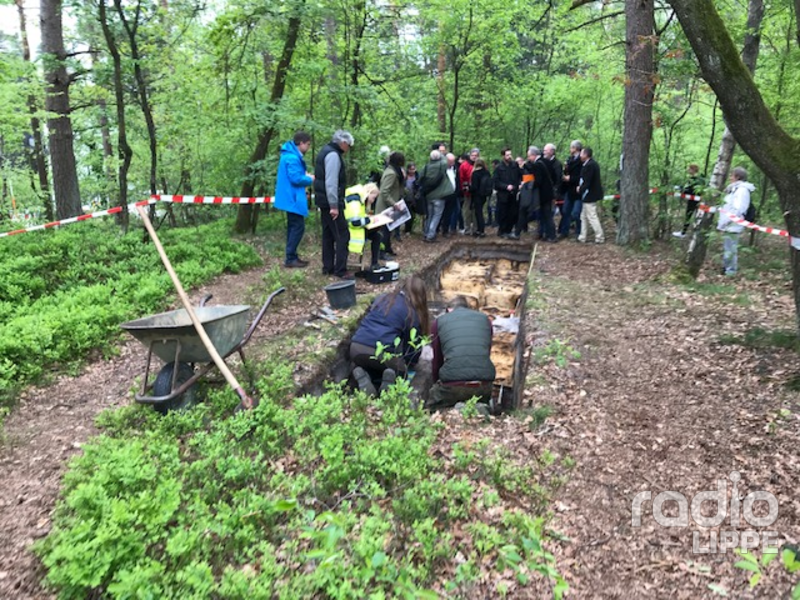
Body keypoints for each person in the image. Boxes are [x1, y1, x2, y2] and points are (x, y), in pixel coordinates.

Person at [349, 275, 431, 395]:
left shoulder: (382, 298)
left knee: (371, 364)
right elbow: (412, 349)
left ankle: (365, 377)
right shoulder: (411, 313)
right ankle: (388, 386)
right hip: (382, 354)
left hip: (356, 347)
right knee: (398, 371)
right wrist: (410, 363)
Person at [427, 296, 496, 410]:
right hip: (483, 385)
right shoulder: (486, 320)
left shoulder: (438, 322)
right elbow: (485, 353)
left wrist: (436, 382)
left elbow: (437, 360)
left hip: (452, 387)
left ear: (449, 310)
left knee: (432, 408)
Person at [315, 130, 354, 279]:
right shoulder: (333, 155)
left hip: (323, 202)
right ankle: (341, 270)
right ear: (343, 143)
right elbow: (331, 183)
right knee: (342, 235)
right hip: (330, 203)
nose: (348, 149)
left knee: (328, 235)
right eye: (348, 145)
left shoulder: (325, 151)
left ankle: (328, 267)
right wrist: (334, 205)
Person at [274, 131, 315, 268]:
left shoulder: (289, 155)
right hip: (292, 198)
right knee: (297, 227)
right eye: (308, 144)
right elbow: (295, 179)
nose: (308, 147)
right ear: (301, 143)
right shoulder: (292, 157)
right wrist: (310, 179)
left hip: (290, 197)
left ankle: (291, 256)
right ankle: (290, 257)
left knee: (294, 227)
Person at [717, 166, 754, 276]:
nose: (730, 177)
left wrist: (728, 220)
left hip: (733, 224)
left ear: (737, 177)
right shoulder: (734, 189)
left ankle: (731, 271)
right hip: (728, 223)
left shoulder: (742, 190)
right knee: (727, 246)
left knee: (731, 247)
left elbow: (739, 208)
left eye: (731, 175)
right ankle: (726, 267)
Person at [513, 146, 556, 241]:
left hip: (544, 195)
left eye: (529, 156)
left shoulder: (538, 164)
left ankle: (552, 236)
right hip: (547, 194)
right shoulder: (542, 162)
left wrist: (527, 184)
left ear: (533, 155)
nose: (528, 158)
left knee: (547, 215)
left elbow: (538, 180)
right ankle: (549, 235)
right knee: (545, 215)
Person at [418, 150, 454, 243]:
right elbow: (447, 160)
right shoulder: (442, 165)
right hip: (439, 195)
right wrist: (441, 153)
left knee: (429, 215)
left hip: (428, 195)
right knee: (436, 216)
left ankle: (426, 233)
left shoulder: (426, 167)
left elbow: (420, 178)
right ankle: (430, 235)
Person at [344, 183, 382, 271]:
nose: (373, 201)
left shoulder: (359, 199)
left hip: (355, 229)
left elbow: (358, 216)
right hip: (351, 231)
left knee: (377, 236)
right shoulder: (355, 200)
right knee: (377, 236)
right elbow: (355, 222)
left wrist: (368, 217)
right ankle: (374, 263)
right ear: (369, 193)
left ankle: (374, 263)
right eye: (373, 197)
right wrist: (371, 220)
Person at [376, 151, 405, 258]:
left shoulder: (393, 171)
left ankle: (387, 248)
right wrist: (394, 204)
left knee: (388, 229)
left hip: (390, 205)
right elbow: (384, 191)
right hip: (385, 206)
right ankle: (381, 253)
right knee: (384, 231)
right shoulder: (391, 173)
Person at [577, 146, 605, 244]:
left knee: (592, 216)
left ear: (586, 155)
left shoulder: (590, 165)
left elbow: (587, 181)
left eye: (581, 153)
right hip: (587, 194)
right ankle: (582, 236)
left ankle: (600, 237)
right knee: (583, 216)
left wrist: (580, 189)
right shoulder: (589, 164)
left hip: (589, 194)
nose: (580, 155)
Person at [494, 148, 522, 237]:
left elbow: (520, 176)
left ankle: (508, 230)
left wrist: (519, 185)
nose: (509, 156)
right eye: (507, 155)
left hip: (513, 193)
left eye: (510, 154)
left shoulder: (515, 165)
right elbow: (496, 182)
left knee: (512, 213)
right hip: (503, 194)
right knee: (503, 213)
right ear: (503, 156)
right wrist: (506, 186)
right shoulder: (499, 168)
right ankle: (502, 231)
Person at [672, 164, 706, 238]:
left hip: (695, 200)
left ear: (693, 170)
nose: (688, 170)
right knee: (696, 216)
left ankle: (685, 233)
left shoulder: (696, 179)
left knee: (691, 215)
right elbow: (687, 187)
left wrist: (682, 191)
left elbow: (689, 189)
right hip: (697, 200)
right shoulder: (697, 178)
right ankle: (693, 234)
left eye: (689, 169)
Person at [559, 140, 583, 239]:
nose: (570, 149)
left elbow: (582, 176)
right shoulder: (569, 160)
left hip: (578, 191)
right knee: (565, 211)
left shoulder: (582, 161)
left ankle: (579, 232)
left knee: (576, 213)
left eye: (571, 147)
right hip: (569, 190)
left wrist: (571, 178)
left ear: (575, 148)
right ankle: (564, 232)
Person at [469, 158, 492, 238]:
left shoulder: (475, 173)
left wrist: (469, 188)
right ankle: (481, 230)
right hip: (484, 195)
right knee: (480, 212)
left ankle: (480, 230)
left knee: (478, 213)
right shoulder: (487, 172)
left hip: (477, 195)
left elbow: (474, 187)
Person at [459, 148, 479, 235]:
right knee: (467, 211)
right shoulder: (464, 165)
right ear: (470, 156)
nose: (474, 157)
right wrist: (464, 188)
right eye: (472, 155)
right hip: (467, 192)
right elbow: (461, 178)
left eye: (476, 156)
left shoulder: (480, 165)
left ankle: (475, 228)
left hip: (478, 193)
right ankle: (467, 228)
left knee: (476, 211)